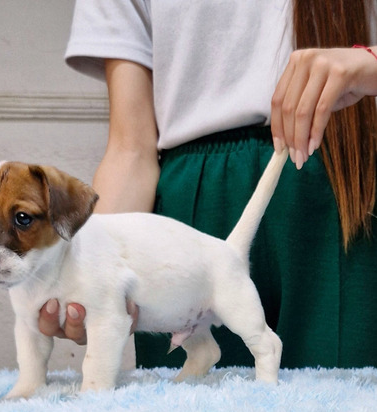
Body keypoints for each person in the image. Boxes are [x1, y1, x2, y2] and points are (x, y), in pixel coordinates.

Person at [39, 0, 377, 369]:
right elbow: (130, 149)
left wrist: (371, 62)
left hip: (345, 194)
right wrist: (87, 268)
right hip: (189, 212)